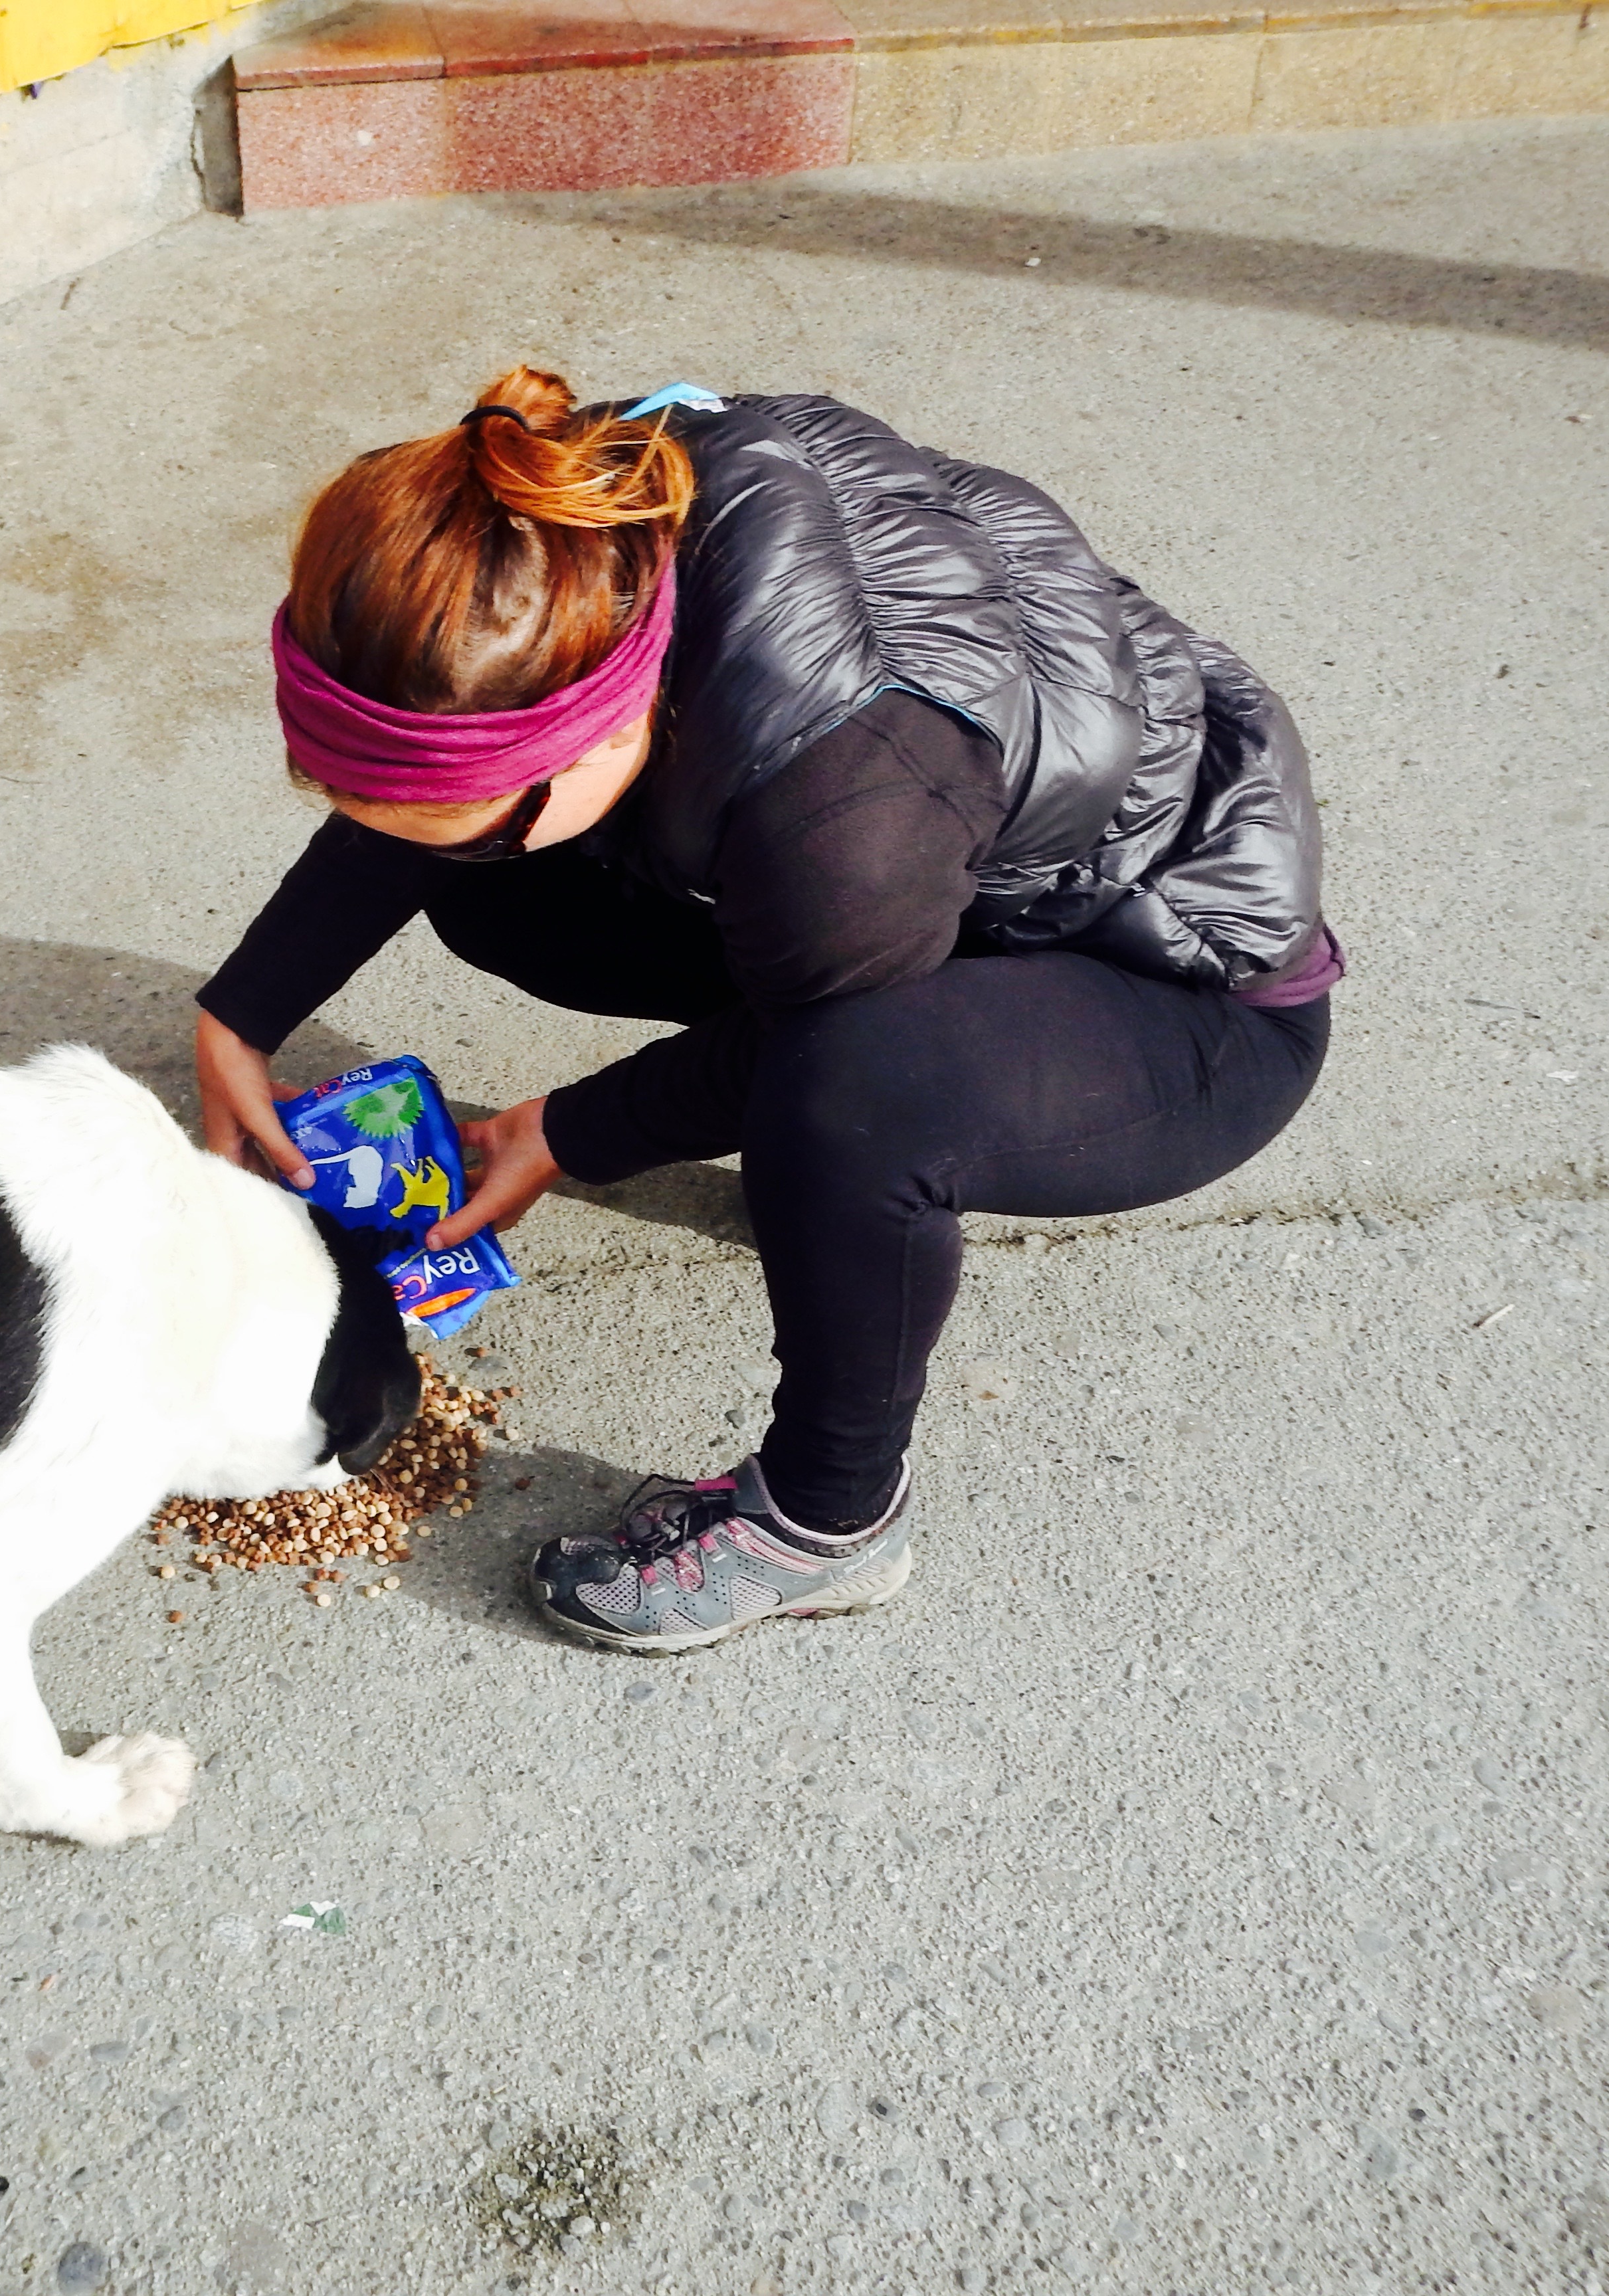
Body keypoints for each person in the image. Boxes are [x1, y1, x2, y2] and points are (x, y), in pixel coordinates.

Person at [193, 368, 1338, 1655]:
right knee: (506, 900)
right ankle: (832, 1156)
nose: (430, 840)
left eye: (472, 817)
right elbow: (431, 761)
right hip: (937, 870)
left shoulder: (840, 823)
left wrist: (564, 1132)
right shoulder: (568, 530)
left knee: (853, 1101)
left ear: (595, 733)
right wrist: (243, 1014)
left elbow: (809, 1043)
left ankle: (828, 1523)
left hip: (1185, 996)